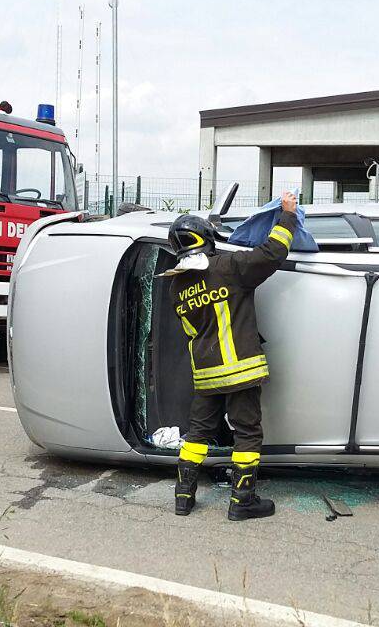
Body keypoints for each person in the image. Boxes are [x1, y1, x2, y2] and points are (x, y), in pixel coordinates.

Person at [166, 191, 297, 521]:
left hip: (206, 375)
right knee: (247, 432)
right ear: (208, 241)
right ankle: (242, 501)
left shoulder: (175, 286)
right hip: (240, 370)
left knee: (197, 435)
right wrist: (287, 215)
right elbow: (273, 252)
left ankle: (183, 498)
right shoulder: (229, 267)